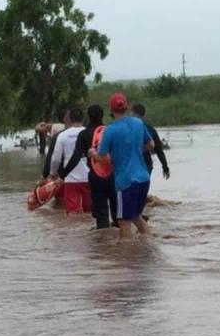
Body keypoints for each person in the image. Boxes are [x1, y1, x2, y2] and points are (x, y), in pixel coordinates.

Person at [90, 93, 154, 240]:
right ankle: (150, 248)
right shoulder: (139, 123)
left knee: (123, 222)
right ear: (127, 107)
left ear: (111, 110)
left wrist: (92, 153)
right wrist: (134, 149)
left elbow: (102, 159)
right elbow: (151, 145)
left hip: (126, 182)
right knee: (136, 216)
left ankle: (125, 258)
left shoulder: (110, 130)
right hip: (144, 178)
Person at [61, 104, 117, 229]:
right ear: (103, 115)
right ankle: (120, 244)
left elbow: (75, 157)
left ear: (88, 117)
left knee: (101, 216)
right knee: (118, 213)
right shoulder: (110, 131)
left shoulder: (84, 134)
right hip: (113, 176)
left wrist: (63, 175)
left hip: (95, 177)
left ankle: (102, 243)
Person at [50, 107, 91, 214]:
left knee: (72, 213)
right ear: (83, 118)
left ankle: (73, 231)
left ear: (70, 119)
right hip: (89, 178)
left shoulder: (62, 135)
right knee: (90, 212)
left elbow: (55, 159)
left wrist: (53, 174)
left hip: (71, 179)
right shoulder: (89, 133)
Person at [131, 104, 170, 179]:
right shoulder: (150, 129)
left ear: (133, 113)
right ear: (144, 115)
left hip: (132, 166)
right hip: (146, 165)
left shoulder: (126, 128)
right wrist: (165, 168)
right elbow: (159, 151)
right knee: (142, 188)